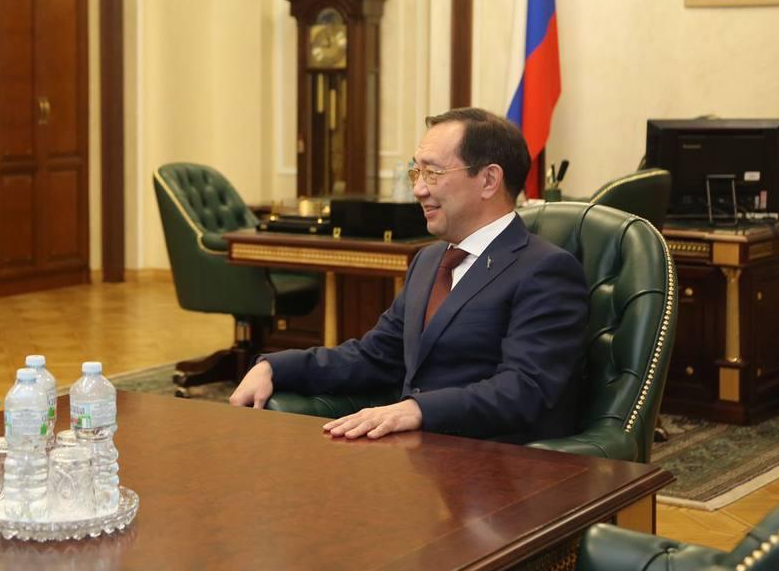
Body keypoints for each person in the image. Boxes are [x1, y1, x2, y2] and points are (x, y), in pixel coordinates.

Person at [229, 107, 589, 444]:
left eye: (433, 173)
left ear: (489, 180)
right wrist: (276, 366)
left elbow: (525, 390)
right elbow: (376, 356)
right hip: (417, 457)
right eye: (416, 173)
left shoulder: (545, 269)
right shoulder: (429, 260)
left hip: (497, 462)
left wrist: (417, 410)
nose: (418, 189)